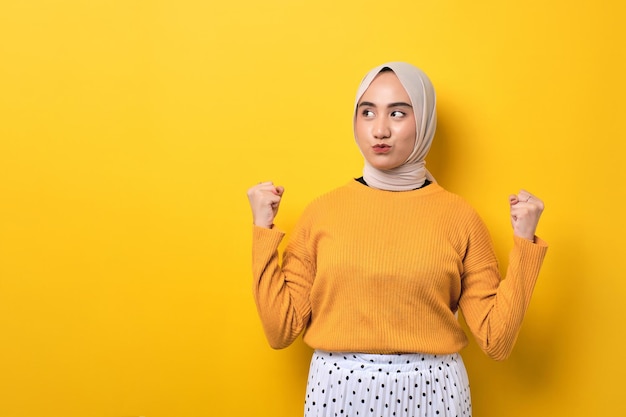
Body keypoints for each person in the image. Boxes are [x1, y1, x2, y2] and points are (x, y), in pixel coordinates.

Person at [246, 62, 548, 417]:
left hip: (434, 394)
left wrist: (525, 242)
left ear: (424, 121)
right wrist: (262, 229)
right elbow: (281, 331)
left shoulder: (460, 218)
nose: (380, 129)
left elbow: (496, 340)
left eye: (399, 113)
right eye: (368, 112)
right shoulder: (321, 213)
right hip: (338, 392)